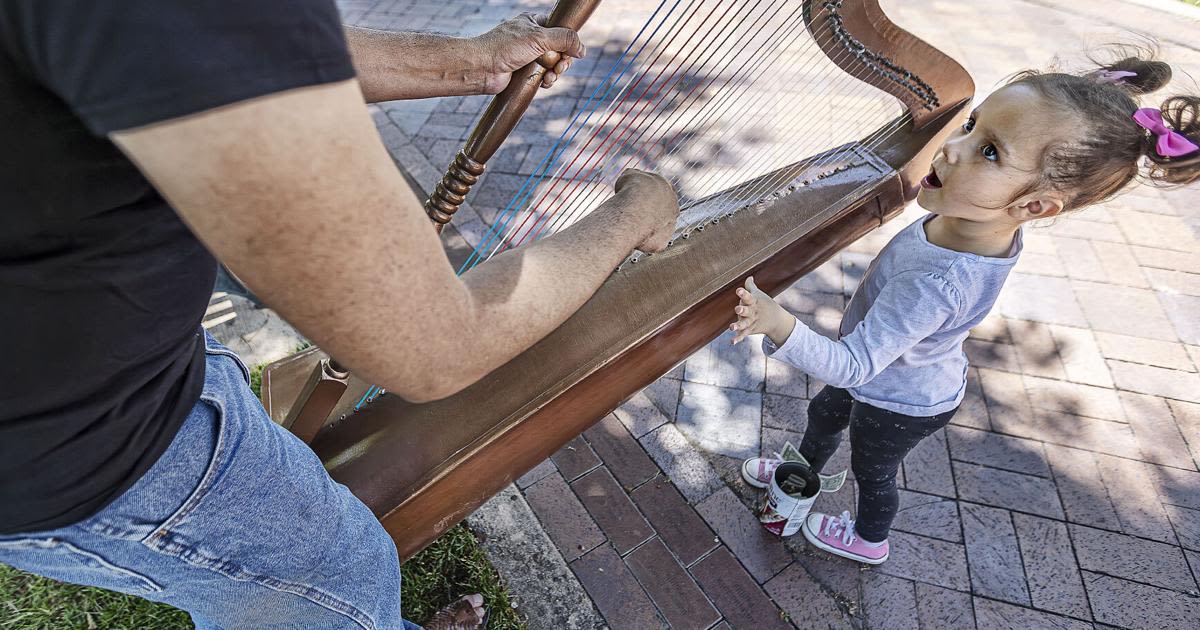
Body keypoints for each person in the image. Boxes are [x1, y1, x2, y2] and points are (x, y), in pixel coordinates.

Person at [0, 2, 679, 628]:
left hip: (70, 378)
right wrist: (631, 215)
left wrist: (463, 62)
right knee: (338, 573)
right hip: (102, 452)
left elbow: (230, 49)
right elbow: (438, 346)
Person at [729, 52, 1198, 565]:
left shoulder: (937, 282)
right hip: (891, 368)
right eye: (972, 127)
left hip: (900, 400)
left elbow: (855, 365)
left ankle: (868, 538)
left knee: (872, 470)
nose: (953, 149)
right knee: (824, 414)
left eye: (990, 152)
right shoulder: (975, 221)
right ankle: (800, 474)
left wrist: (777, 324)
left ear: (1033, 206)